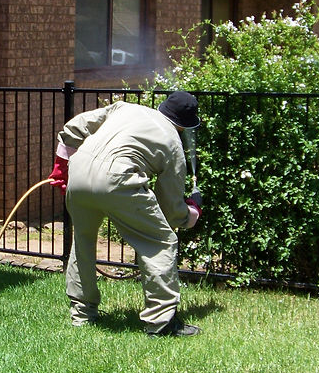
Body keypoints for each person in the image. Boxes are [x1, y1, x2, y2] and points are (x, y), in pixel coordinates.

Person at [48, 91, 203, 336]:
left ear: (163, 108)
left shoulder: (125, 108)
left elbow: (75, 126)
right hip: (117, 178)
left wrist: (61, 167)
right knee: (161, 242)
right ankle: (162, 322)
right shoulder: (173, 142)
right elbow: (171, 209)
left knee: (83, 240)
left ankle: (82, 314)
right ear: (185, 125)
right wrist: (191, 213)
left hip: (79, 170)